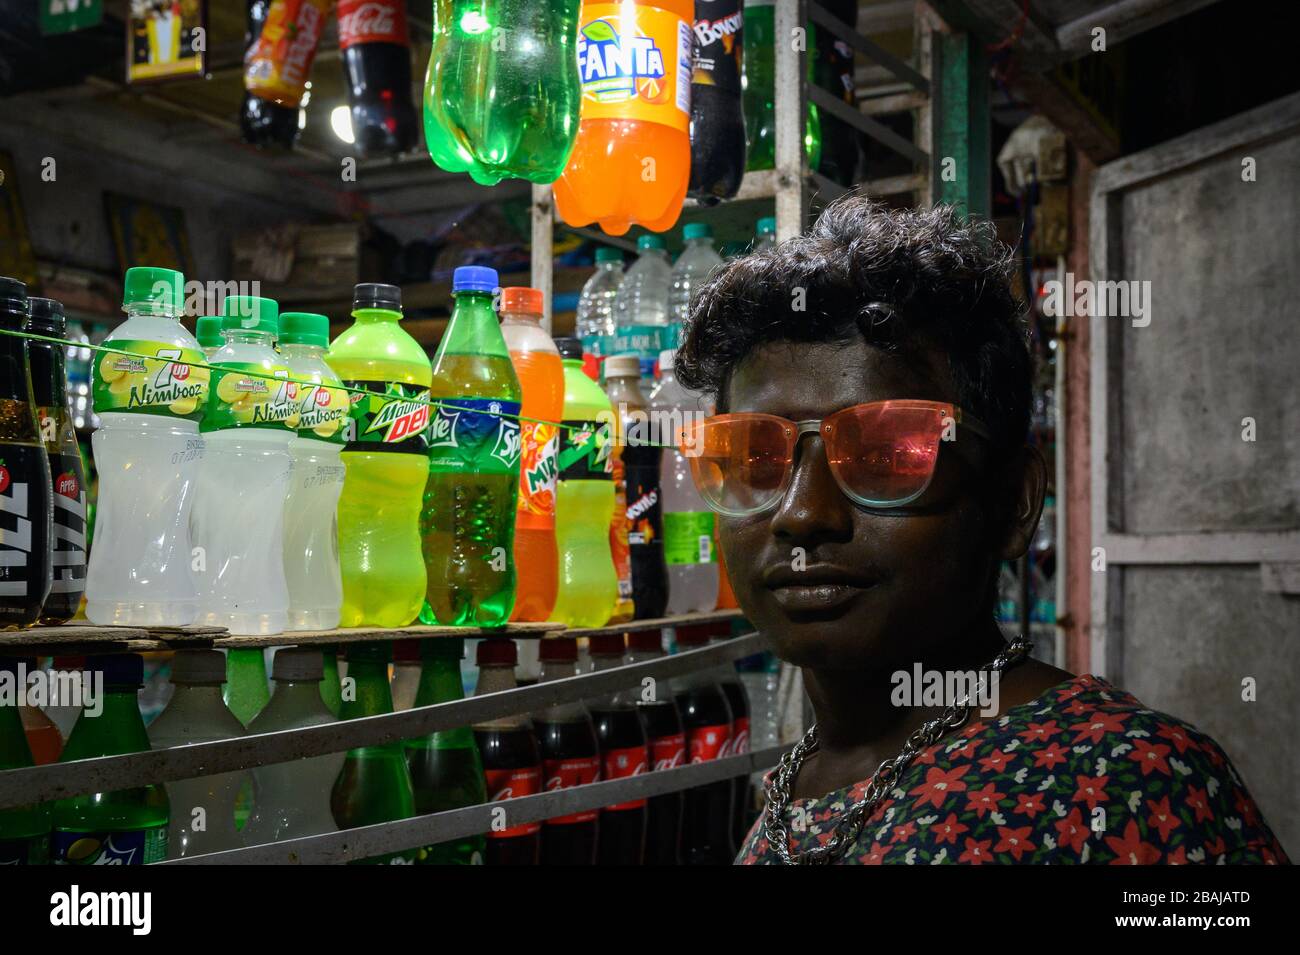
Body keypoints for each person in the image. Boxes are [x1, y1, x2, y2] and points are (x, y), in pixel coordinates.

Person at [674, 196, 1289, 865]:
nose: (802, 512)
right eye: (755, 457)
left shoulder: (1127, 782)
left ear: (1014, 500)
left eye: (887, 455)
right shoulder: (789, 801)